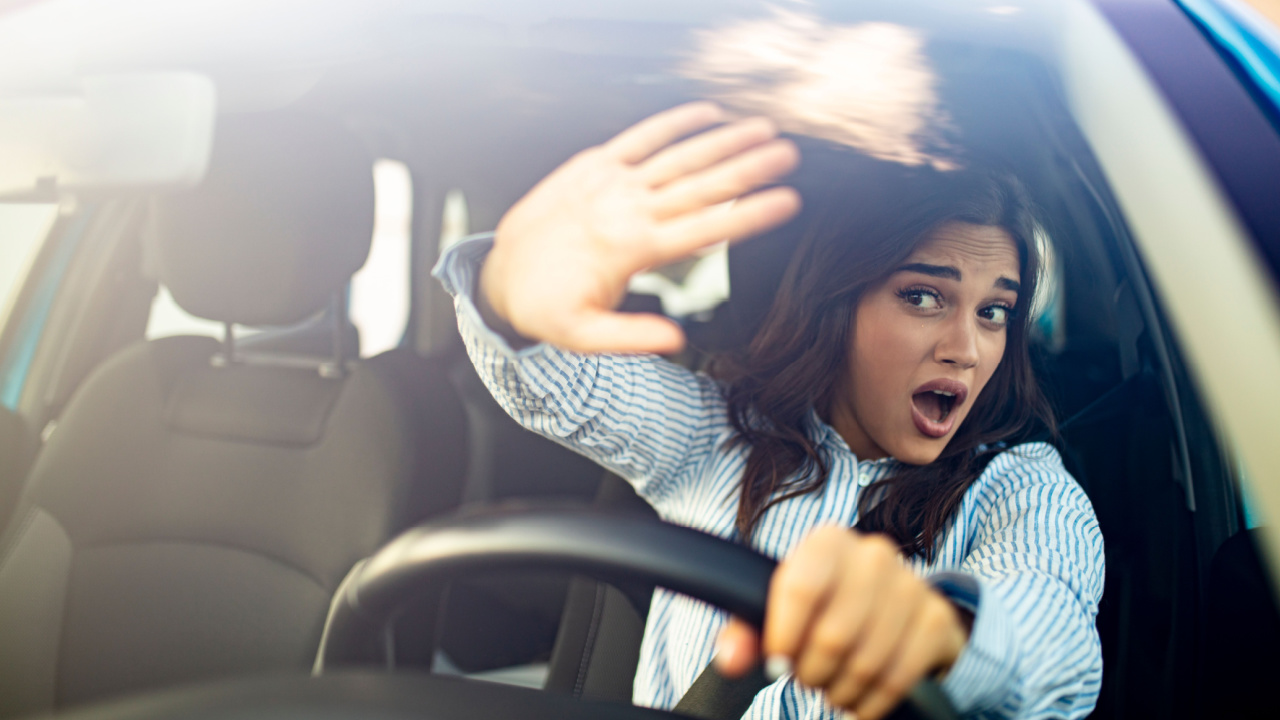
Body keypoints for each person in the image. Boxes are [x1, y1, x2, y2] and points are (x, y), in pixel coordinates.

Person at [434, 103, 1103, 720]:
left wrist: (940, 634)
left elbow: (1053, 634)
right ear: (837, 305)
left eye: (994, 312)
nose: (966, 350)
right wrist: (508, 294)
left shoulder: (1020, 486)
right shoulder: (719, 434)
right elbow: (561, 387)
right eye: (924, 297)